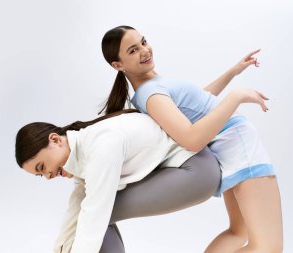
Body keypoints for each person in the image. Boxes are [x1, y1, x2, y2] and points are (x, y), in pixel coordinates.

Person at [101, 25, 283, 253]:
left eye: (144, 42)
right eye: (133, 50)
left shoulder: (152, 88)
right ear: (118, 65)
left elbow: (199, 104)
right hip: (241, 149)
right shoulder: (151, 94)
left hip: (234, 149)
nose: (145, 51)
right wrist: (236, 97)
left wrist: (232, 72)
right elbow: (191, 139)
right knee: (268, 248)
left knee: (238, 232)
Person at [15, 109, 222, 253]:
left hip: (197, 171)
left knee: (98, 216)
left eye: (42, 167)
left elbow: (93, 214)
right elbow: (76, 205)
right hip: (187, 167)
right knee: (90, 215)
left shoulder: (99, 146)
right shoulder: (82, 152)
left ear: (55, 140)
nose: (48, 176)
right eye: (40, 175)